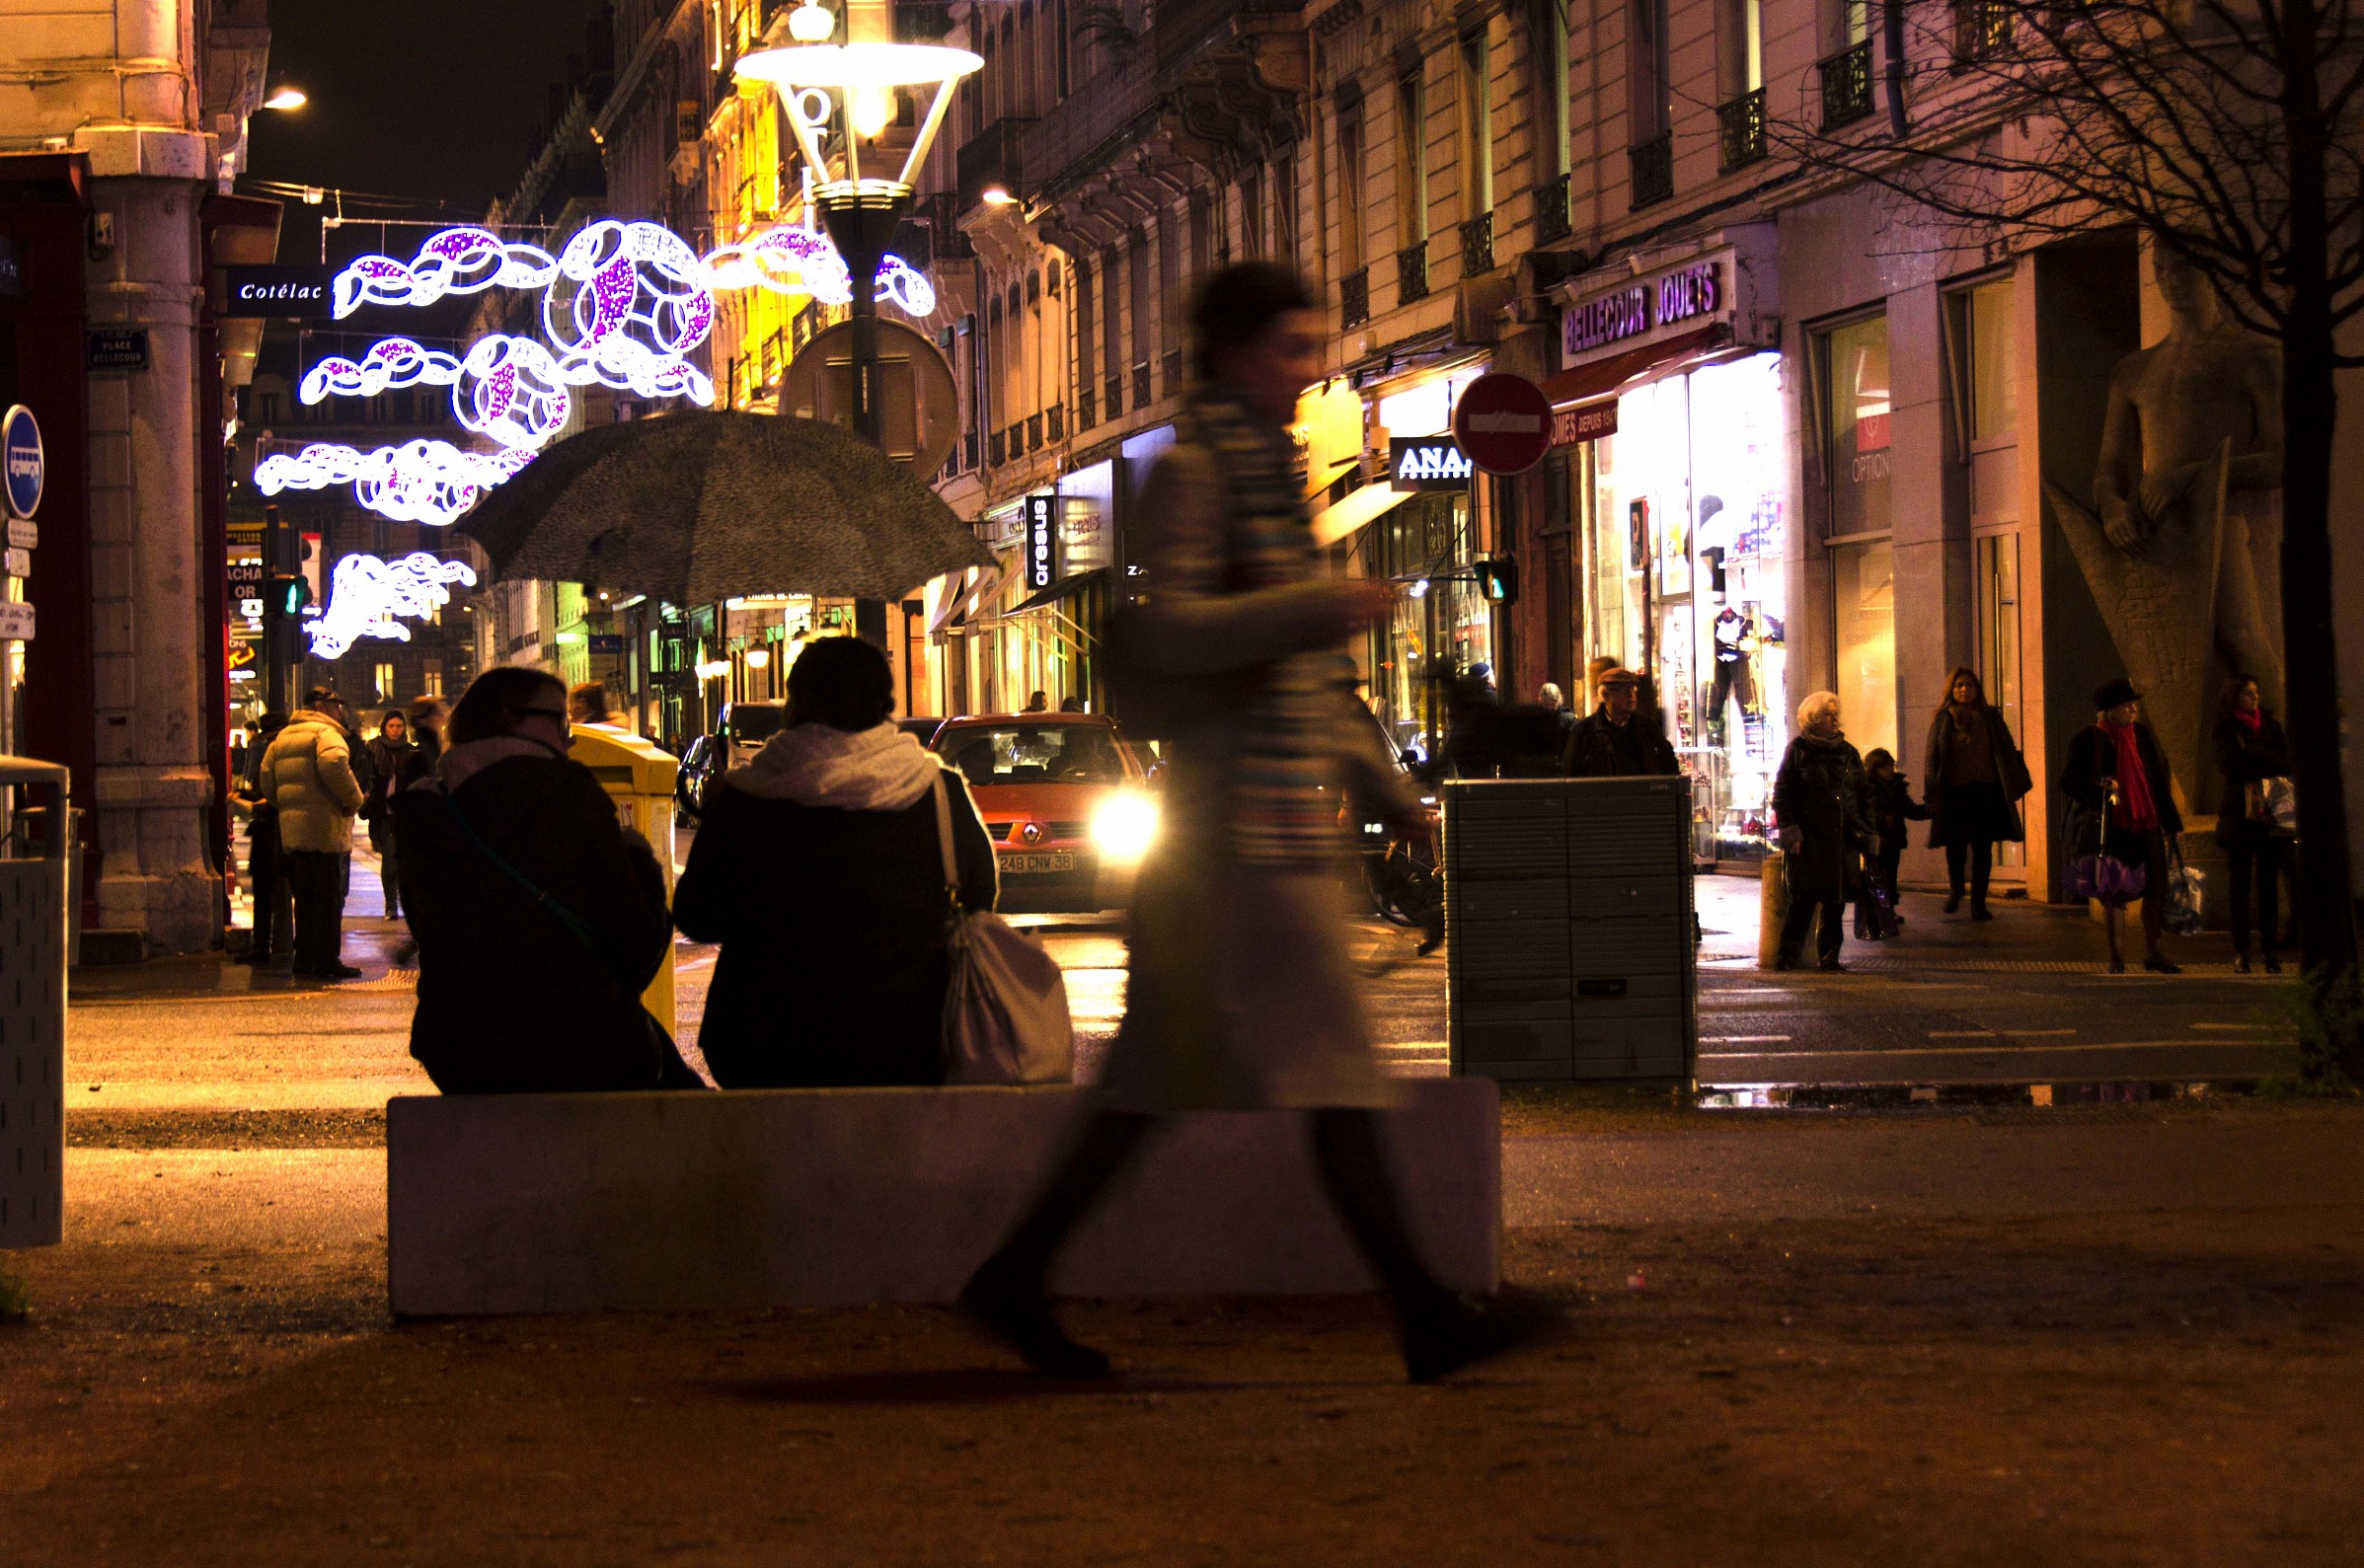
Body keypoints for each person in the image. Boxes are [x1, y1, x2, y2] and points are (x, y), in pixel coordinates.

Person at [961, 262, 1537, 1385]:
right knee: (1328, 1075)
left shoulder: (1273, 474)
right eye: (1291, 347)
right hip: (1235, 841)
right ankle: (1425, 1313)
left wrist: (1379, 784)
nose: (1307, 371)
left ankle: (1017, 1275)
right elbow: (1174, 631)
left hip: (1258, 833)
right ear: (1230, 351)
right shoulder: (1198, 472)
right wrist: (1314, 605)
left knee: (1162, 1088)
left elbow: (1304, 675)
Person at [672, 637, 996, 1085]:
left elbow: (699, 915)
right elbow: (979, 897)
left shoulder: (749, 796)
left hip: (766, 1044)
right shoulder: (936, 791)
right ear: (883, 702)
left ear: (801, 703)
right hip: (909, 1040)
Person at [393, 666, 699, 1092]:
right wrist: (640, 858)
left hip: (460, 1051)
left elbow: (432, 934)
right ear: (508, 716)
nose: (569, 739)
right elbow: (637, 948)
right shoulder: (569, 794)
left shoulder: (427, 809)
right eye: (559, 722)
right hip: (573, 1045)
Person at [2061, 677, 2185, 975]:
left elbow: (2156, 780)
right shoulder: (2089, 739)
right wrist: (2098, 789)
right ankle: (2116, 958)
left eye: (2133, 704)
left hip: (2147, 821)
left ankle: (2154, 952)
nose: (2133, 709)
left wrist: (2172, 823)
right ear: (2109, 709)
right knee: (2114, 892)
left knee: (2155, 887)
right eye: (2126, 705)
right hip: (2113, 825)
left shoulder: (2140, 735)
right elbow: (2068, 782)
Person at [258, 687, 366, 981]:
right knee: (328, 899)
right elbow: (334, 764)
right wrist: (354, 800)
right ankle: (327, 960)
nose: (339, 710)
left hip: (295, 833)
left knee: (304, 900)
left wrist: (285, 805)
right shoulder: (325, 734)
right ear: (320, 707)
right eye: (335, 705)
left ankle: (304, 959)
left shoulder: (283, 737)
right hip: (325, 831)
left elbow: (266, 778)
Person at [1772, 691, 1876, 971]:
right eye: (1828, 715)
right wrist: (1791, 831)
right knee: (1803, 901)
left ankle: (1830, 956)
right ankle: (1787, 956)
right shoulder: (1798, 751)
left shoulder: (1849, 753)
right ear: (1813, 719)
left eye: (1835, 714)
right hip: (1810, 839)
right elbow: (1783, 793)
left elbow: (1863, 795)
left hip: (1843, 839)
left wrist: (1867, 832)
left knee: (1836, 900)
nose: (1834, 719)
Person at [1923, 668, 2033, 920]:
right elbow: (1932, 758)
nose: (1965, 689)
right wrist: (1931, 794)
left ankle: (1978, 904)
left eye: (1969, 685)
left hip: (1986, 791)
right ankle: (1957, 888)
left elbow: (2006, 748)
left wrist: (2013, 779)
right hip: (1955, 793)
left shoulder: (1990, 716)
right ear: (1951, 690)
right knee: (1956, 846)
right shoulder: (1943, 718)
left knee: (1983, 848)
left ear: (1977, 689)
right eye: (1959, 685)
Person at [2213, 673, 2289, 973]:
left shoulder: (2270, 725)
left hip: (2270, 813)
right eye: (2247, 693)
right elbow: (2231, 767)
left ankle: (2270, 950)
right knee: (2239, 884)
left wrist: (2253, 753)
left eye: (2256, 692)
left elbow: (2286, 762)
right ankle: (2241, 949)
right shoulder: (2226, 727)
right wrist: (2263, 760)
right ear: (2234, 697)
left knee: (2268, 883)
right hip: (2239, 815)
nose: (2254, 697)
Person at [230, 711, 291, 964]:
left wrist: (246, 799)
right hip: (282, 829)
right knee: (276, 890)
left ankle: (262, 945)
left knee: (264, 892)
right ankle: (272, 944)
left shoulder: (265, 750)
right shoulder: (284, 750)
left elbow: (265, 793)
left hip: (270, 830)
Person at [1563, 667, 1679, 778]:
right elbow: (1572, 775)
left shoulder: (1648, 727)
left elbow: (1669, 766)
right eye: (1623, 691)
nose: (1630, 695)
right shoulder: (1584, 732)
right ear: (1606, 695)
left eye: (1632, 689)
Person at [1861, 747, 1928, 928]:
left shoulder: (1896, 787)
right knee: (1876, 876)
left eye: (1892, 765)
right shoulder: (1867, 789)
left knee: (1890, 876)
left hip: (1893, 839)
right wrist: (1882, 819)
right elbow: (1864, 813)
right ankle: (1877, 912)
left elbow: (1909, 809)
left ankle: (1887, 910)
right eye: (1887, 766)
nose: (1891, 769)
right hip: (1875, 841)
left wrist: (1928, 811)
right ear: (1876, 769)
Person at [363, 711, 416, 921]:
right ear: (384, 727)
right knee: (390, 859)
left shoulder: (410, 751)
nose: (395, 730)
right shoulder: (373, 749)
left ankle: (404, 904)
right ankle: (391, 906)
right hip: (383, 814)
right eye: (391, 726)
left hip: (404, 814)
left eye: (399, 726)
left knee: (404, 861)